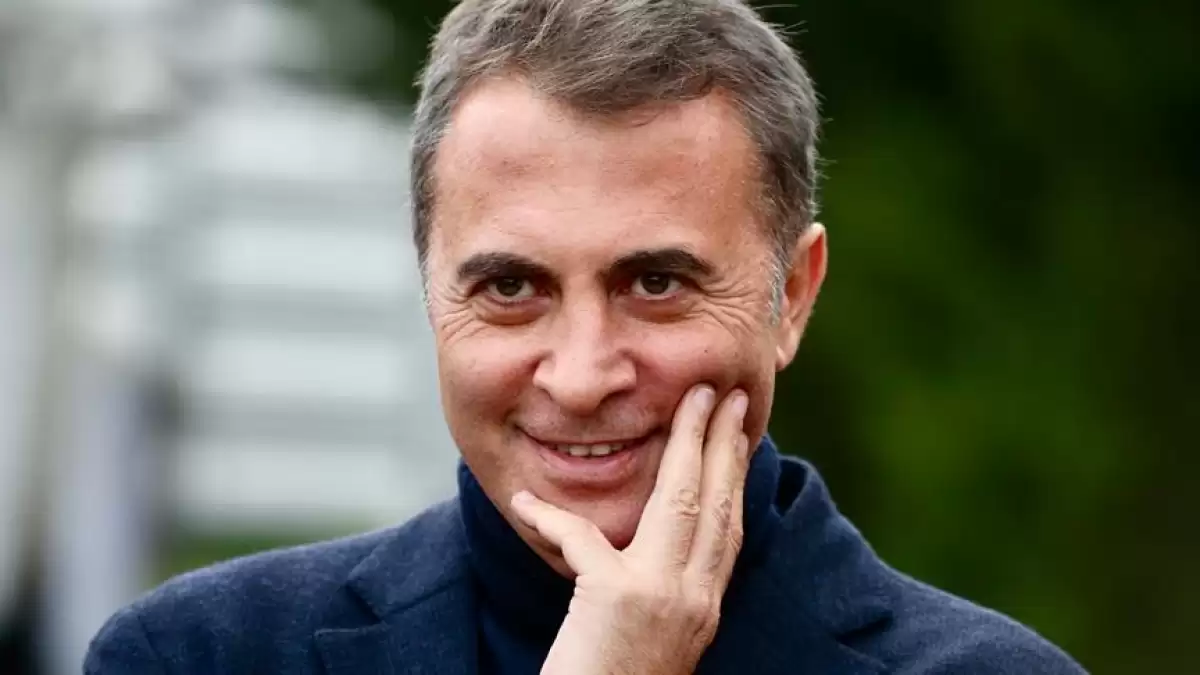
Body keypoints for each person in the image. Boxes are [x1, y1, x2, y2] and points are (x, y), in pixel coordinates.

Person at [85, 1, 1087, 673]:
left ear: (791, 296)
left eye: (655, 283)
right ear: (430, 291)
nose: (580, 375)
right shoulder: (199, 653)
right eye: (512, 287)